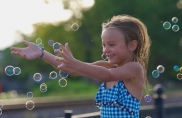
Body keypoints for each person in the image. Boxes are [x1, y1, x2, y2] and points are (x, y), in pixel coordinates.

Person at [11, 14, 151, 118]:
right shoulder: (107, 65)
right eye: (104, 45)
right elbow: (70, 68)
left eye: (111, 44)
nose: (105, 50)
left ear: (132, 45)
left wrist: (75, 63)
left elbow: (108, 76)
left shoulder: (134, 68)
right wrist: (42, 53)